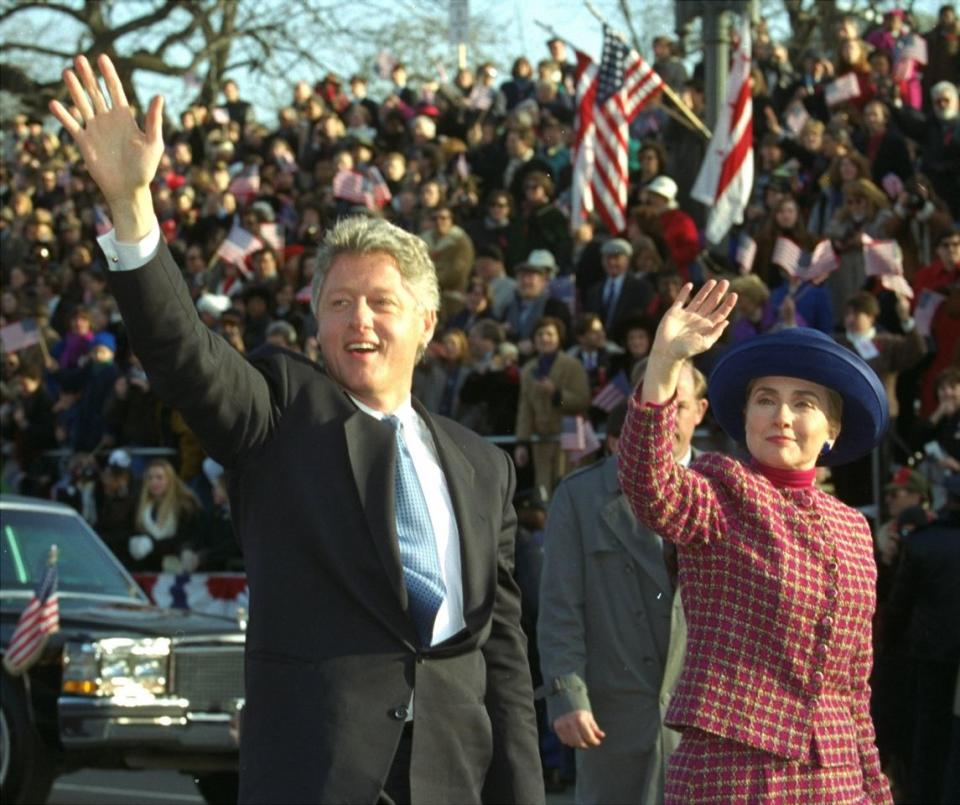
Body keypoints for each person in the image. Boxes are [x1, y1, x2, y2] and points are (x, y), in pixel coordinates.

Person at [52, 54, 543, 804]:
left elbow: (503, 658)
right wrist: (132, 208)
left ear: (427, 323)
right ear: (316, 321)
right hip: (319, 773)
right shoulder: (282, 411)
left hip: (454, 775)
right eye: (338, 303)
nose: (360, 320)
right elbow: (185, 353)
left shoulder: (483, 465)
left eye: (380, 301)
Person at [617, 278, 893, 802]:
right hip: (731, 772)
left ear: (832, 427)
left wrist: (875, 791)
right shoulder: (722, 491)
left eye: (804, 403)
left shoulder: (854, 529)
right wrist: (663, 365)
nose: (782, 416)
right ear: (745, 418)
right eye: (766, 400)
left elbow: (856, 687)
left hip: (835, 779)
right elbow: (646, 482)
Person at [538, 363, 706, 805]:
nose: (666, 420)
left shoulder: (727, 493)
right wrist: (567, 695)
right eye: (657, 404)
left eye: (680, 406)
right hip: (613, 723)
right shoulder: (579, 497)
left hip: (707, 729)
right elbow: (560, 608)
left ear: (700, 412)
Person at [128, 458, 203, 573]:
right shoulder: (140, 505)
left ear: (170, 479)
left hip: (176, 568)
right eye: (150, 478)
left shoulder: (185, 505)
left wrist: (153, 545)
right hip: (147, 569)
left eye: (159, 477)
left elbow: (187, 537)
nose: (154, 482)